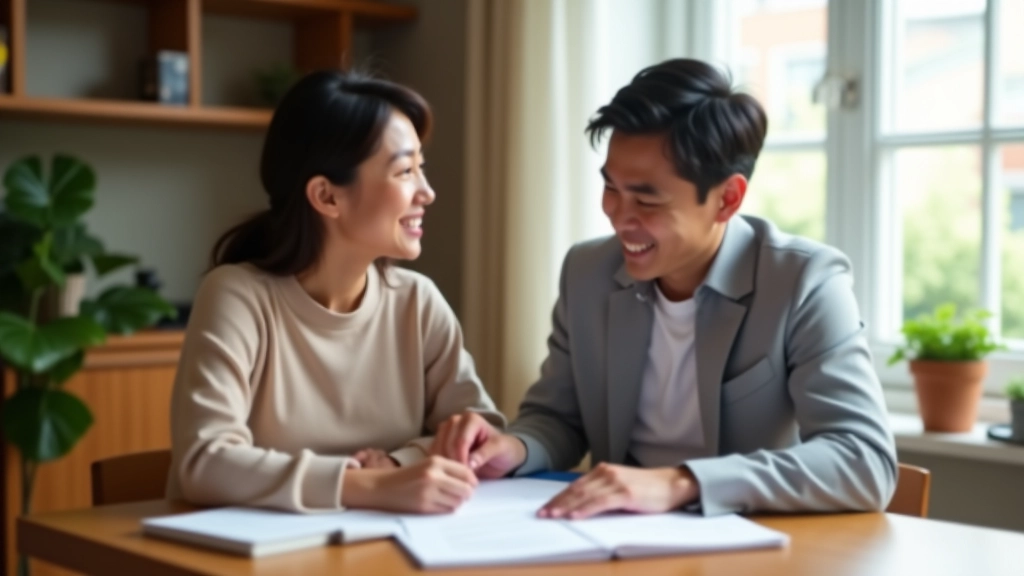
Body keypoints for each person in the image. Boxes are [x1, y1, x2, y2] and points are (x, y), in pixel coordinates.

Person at [433, 58, 896, 518]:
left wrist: (680, 483)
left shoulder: (804, 281)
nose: (617, 215)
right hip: (614, 537)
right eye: (611, 188)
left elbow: (864, 460)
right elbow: (558, 420)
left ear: (727, 199)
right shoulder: (587, 271)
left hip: (750, 546)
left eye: (646, 199)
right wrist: (515, 446)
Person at [166, 70, 504, 514]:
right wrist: (368, 485)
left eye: (421, 167)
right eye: (405, 171)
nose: (428, 192)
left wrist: (397, 463)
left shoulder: (418, 303)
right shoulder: (237, 297)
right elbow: (204, 461)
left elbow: (480, 434)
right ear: (327, 197)